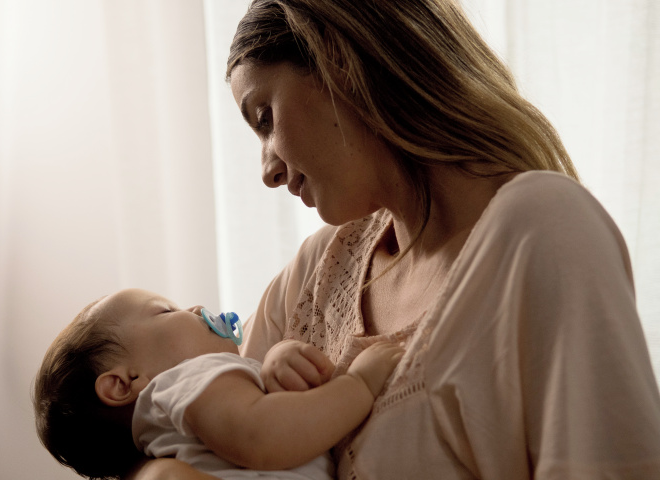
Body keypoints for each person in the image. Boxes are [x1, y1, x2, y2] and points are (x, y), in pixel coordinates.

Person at [127, 0, 660, 478]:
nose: (266, 170)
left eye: (265, 118)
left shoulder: (542, 230)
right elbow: (197, 452)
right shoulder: (316, 274)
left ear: (341, 62)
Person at [33, 288, 404, 480]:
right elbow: (262, 435)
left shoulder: (180, 420)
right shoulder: (183, 380)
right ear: (124, 383)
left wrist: (277, 363)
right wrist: (359, 383)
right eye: (166, 310)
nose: (194, 308)